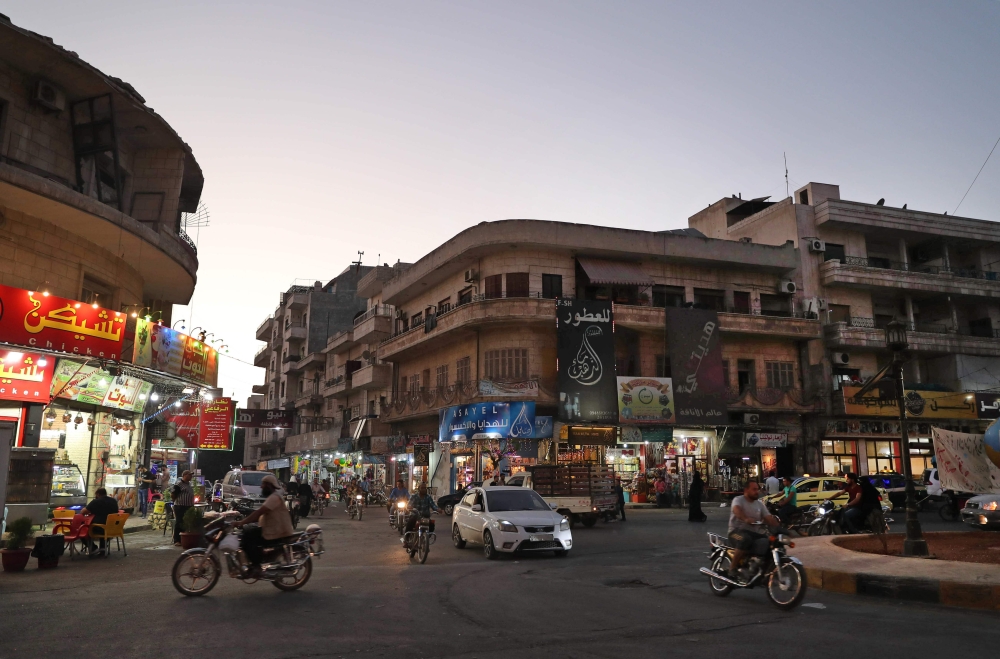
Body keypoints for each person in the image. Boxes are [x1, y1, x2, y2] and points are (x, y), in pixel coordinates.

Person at [233, 474, 294, 577]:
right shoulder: (273, 497)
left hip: (277, 531)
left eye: (263, 484)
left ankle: (257, 566)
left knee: (247, 537)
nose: (261, 487)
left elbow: (259, 512)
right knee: (248, 532)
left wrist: (242, 522)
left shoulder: (274, 497)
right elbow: (259, 514)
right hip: (273, 528)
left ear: (269, 486)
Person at [727, 481, 780, 578]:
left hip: (754, 533)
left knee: (771, 542)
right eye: (754, 489)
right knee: (745, 539)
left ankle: (761, 569)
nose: (757, 492)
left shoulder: (759, 504)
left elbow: (768, 517)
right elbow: (737, 510)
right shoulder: (738, 500)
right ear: (746, 490)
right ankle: (732, 568)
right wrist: (746, 519)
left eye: (758, 489)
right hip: (736, 532)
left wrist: (780, 528)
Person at [83, 487, 120, 555]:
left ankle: (93, 548)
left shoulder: (96, 502)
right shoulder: (113, 501)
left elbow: (83, 512)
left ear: (98, 494)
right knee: (104, 524)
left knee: (83, 530)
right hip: (113, 528)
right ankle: (103, 548)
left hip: (99, 528)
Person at [171, 470, 195, 546]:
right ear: (184, 475)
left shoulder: (189, 484)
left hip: (188, 506)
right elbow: (173, 494)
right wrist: (177, 502)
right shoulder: (179, 484)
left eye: (191, 475)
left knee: (185, 523)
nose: (191, 476)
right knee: (179, 522)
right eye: (189, 475)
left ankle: (183, 538)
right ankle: (177, 540)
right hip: (180, 506)